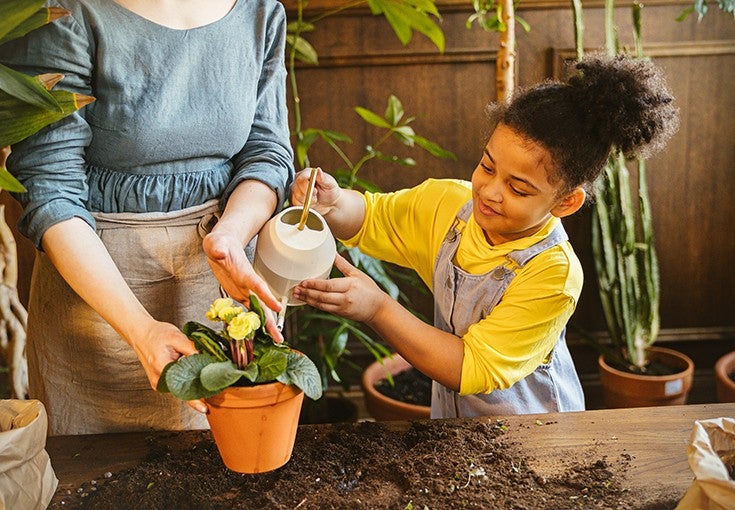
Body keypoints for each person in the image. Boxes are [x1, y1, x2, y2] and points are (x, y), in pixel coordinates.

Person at [291, 54, 679, 419]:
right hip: (456, 428)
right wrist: (334, 202)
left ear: (566, 202)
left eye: (519, 189)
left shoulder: (554, 274)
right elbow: (372, 218)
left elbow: (470, 366)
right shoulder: (449, 204)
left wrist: (377, 308)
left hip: (537, 439)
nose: (490, 191)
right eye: (487, 166)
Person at [0, 0, 293, 435]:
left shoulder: (261, 11)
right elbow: (50, 187)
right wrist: (140, 331)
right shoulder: (65, 11)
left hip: (221, 283)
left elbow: (267, 152)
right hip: (101, 297)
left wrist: (230, 235)